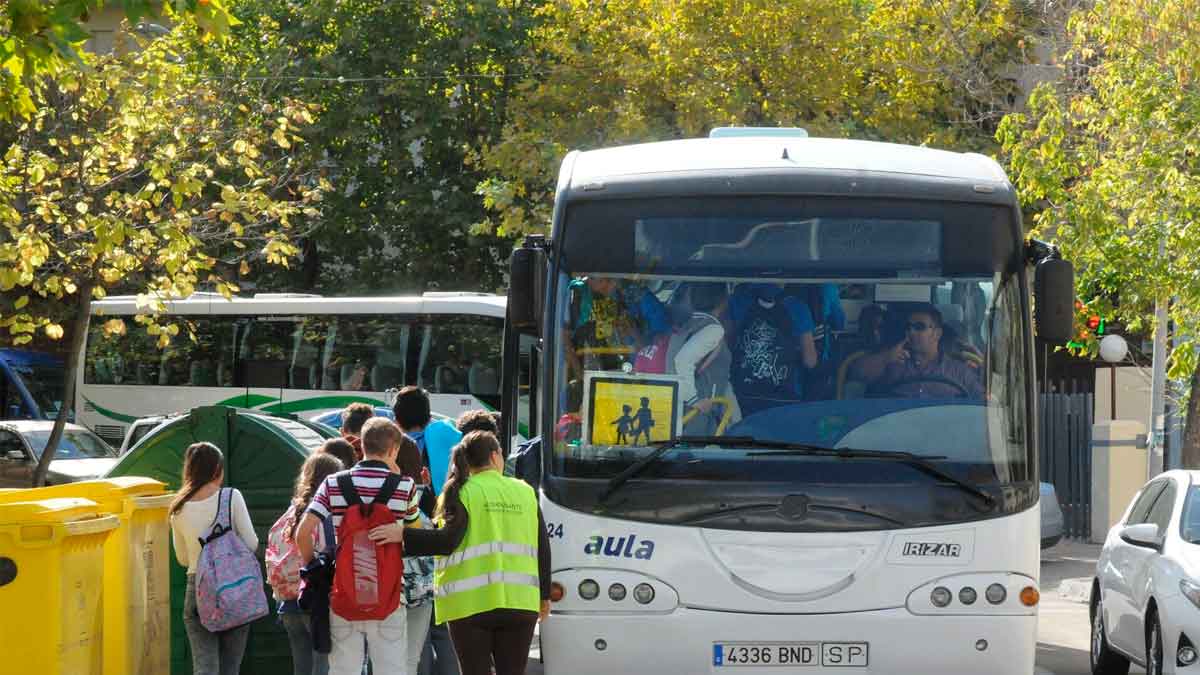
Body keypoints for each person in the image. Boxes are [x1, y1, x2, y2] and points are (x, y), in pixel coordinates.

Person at [380, 431, 552, 675]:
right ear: (494, 457)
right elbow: (542, 546)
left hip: (469, 603)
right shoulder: (524, 491)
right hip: (520, 601)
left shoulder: (460, 491)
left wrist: (403, 535)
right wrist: (544, 594)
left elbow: (447, 541)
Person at [295, 418, 421, 675]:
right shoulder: (404, 487)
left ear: (361, 447)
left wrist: (313, 566)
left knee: (343, 670)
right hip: (389, 599)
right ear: (393, 449)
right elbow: (415, 536)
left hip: (345, 596)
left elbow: (302, 533)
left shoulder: (333, 484)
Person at [169, 442, 258, 675]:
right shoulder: (231, 497)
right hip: (234, 588)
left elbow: (182, 558)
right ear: (217, 469)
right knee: (231, 667)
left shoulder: (177, 508)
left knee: (205, 667)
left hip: (197, 589)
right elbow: (252, 543)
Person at [391, 386, 462, 675]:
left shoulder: (399, 446)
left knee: (413, 641)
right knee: (444, 630)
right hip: (447, 544)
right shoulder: (449, 436)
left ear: (397, 418)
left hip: (410, 558)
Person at [266, 453, 345, 675]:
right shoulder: (324, 514)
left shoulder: (289, 514)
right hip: (318, 601)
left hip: (288, 603)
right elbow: (333, 555)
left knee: (301, 668)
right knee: (324, 666)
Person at [849, 303, 985, 399]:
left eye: (919, 327)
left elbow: (983, 407)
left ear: (937, 334)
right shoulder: (893, 363)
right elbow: (856, 374)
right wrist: (886, 358)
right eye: (909, 327)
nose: (911, 331)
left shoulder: (960, 371)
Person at [727, 283, 819, 416]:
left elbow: (728, 346)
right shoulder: (798, 307)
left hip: (744, 395)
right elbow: (810, 361)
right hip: (784, 397)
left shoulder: (738, 301)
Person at [395, 435, 437, 675]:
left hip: (388, 589)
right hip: (422, 590)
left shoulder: (382, 499)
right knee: (411, 658)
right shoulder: (423, 504)